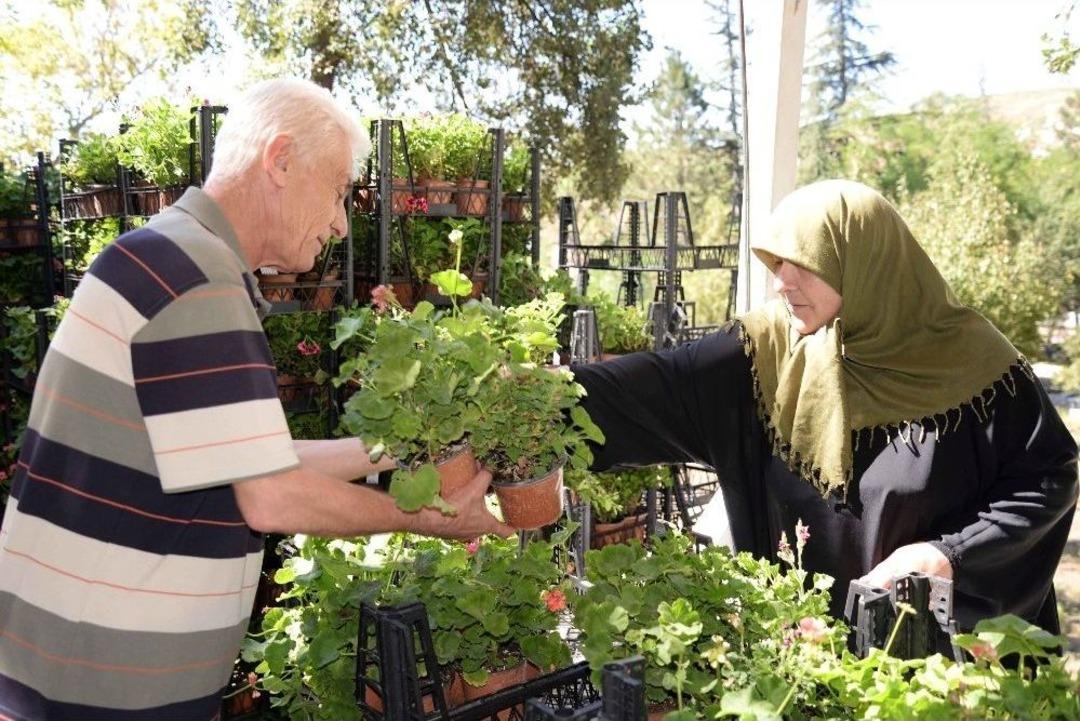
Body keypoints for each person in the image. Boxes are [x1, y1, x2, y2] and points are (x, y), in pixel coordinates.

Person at [0, 79, 511, 721]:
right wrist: (429, 519)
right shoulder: (196, 280)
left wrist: (392, 448)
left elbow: (247, 458)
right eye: (336, 191)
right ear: (280, 160)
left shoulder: (170, 255)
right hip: (100, 691)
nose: (340, 222)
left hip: (66, 672)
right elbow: (272, 497)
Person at [573, 179, 1077, 635]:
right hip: (801, 666)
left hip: (935, 675)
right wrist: (541, 395)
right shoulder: (768, 351)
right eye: (776, 263)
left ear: (865, 264)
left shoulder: (975, 364)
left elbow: (1047, 478)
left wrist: (949, 555)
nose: (780, 281)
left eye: (804, 264)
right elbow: (654, 388)